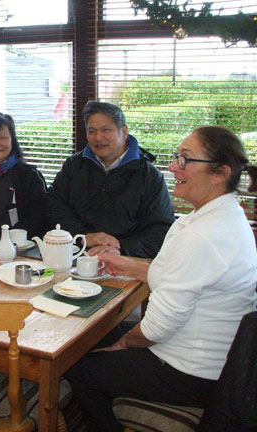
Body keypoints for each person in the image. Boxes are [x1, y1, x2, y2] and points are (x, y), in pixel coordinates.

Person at [65, 126, 257, 432]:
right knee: (85, 336)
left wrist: (124, 345)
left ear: (220, 173)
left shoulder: (204, 236)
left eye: (185, 160)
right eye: (176, 157)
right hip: (207, 356)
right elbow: (181, 277)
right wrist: (126, 264)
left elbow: (157, 327)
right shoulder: (223, 216)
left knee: (75, 365)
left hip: (190, 370)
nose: (171, 167)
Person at [46, 101, 174, 258]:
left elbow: (161, 230)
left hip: (127, 261)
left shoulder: (149, 175)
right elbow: (53, 206)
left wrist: (119, 249)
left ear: (124, 131)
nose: (98, 137)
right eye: (91, 131)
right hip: (76, 256)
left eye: (106, 130)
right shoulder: (74, 166)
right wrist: (83, 237)